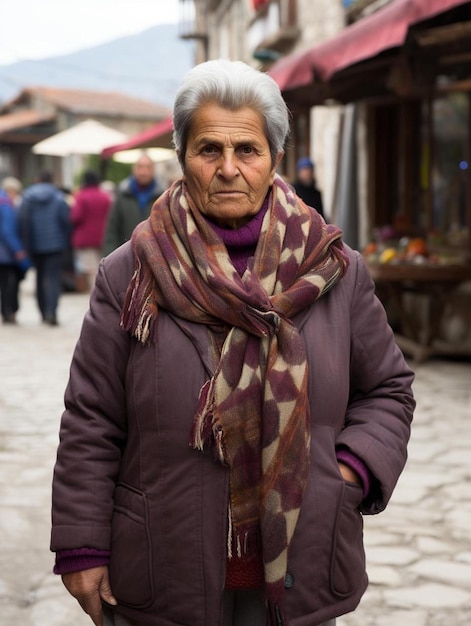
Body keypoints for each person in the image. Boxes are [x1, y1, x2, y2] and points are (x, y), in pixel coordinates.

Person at [50, 60, 415, 626]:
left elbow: (388, 390)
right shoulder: (128, 275)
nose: (228, 169)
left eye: (247, 149)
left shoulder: (334, 271)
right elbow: (91, 417)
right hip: (164, 563)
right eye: (208, 149)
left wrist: (346, 473)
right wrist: (81, 543)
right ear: (182, 157)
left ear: (273, 159)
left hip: (303, 554)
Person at [20, 171, 70, 325]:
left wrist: (26, 245)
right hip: (55, 246)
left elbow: (24, 222)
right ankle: (52, 311)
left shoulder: (27, 198)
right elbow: (65, 222)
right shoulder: (59, 198)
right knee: (53, 279)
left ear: (37, 179)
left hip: (35, 245)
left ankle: (43, 312)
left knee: (39, 278)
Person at [103, 153, 162, 255]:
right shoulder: (122, 195)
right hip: (126, 256)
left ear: (153, 170)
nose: (143, 172)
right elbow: (112, 231)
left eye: (148, 167)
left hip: (155, 257)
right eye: (140, 167)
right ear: (134, 169)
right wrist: (109, 256)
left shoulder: (162, 197)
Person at [71, 170, 111, 290]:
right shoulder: (105, 196)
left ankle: (95, 293)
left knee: (90, 269)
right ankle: (104, 292)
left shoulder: (81, 196)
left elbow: (75, 217)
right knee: (104, 266)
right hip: (103, 236)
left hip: (86, 238)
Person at [0, 177, 31, 324]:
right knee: (9, 284)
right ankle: (8, 312)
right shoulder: (5, 203)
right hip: (5, 253)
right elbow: (7, 231)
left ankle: (6, 311)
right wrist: (18, 250)